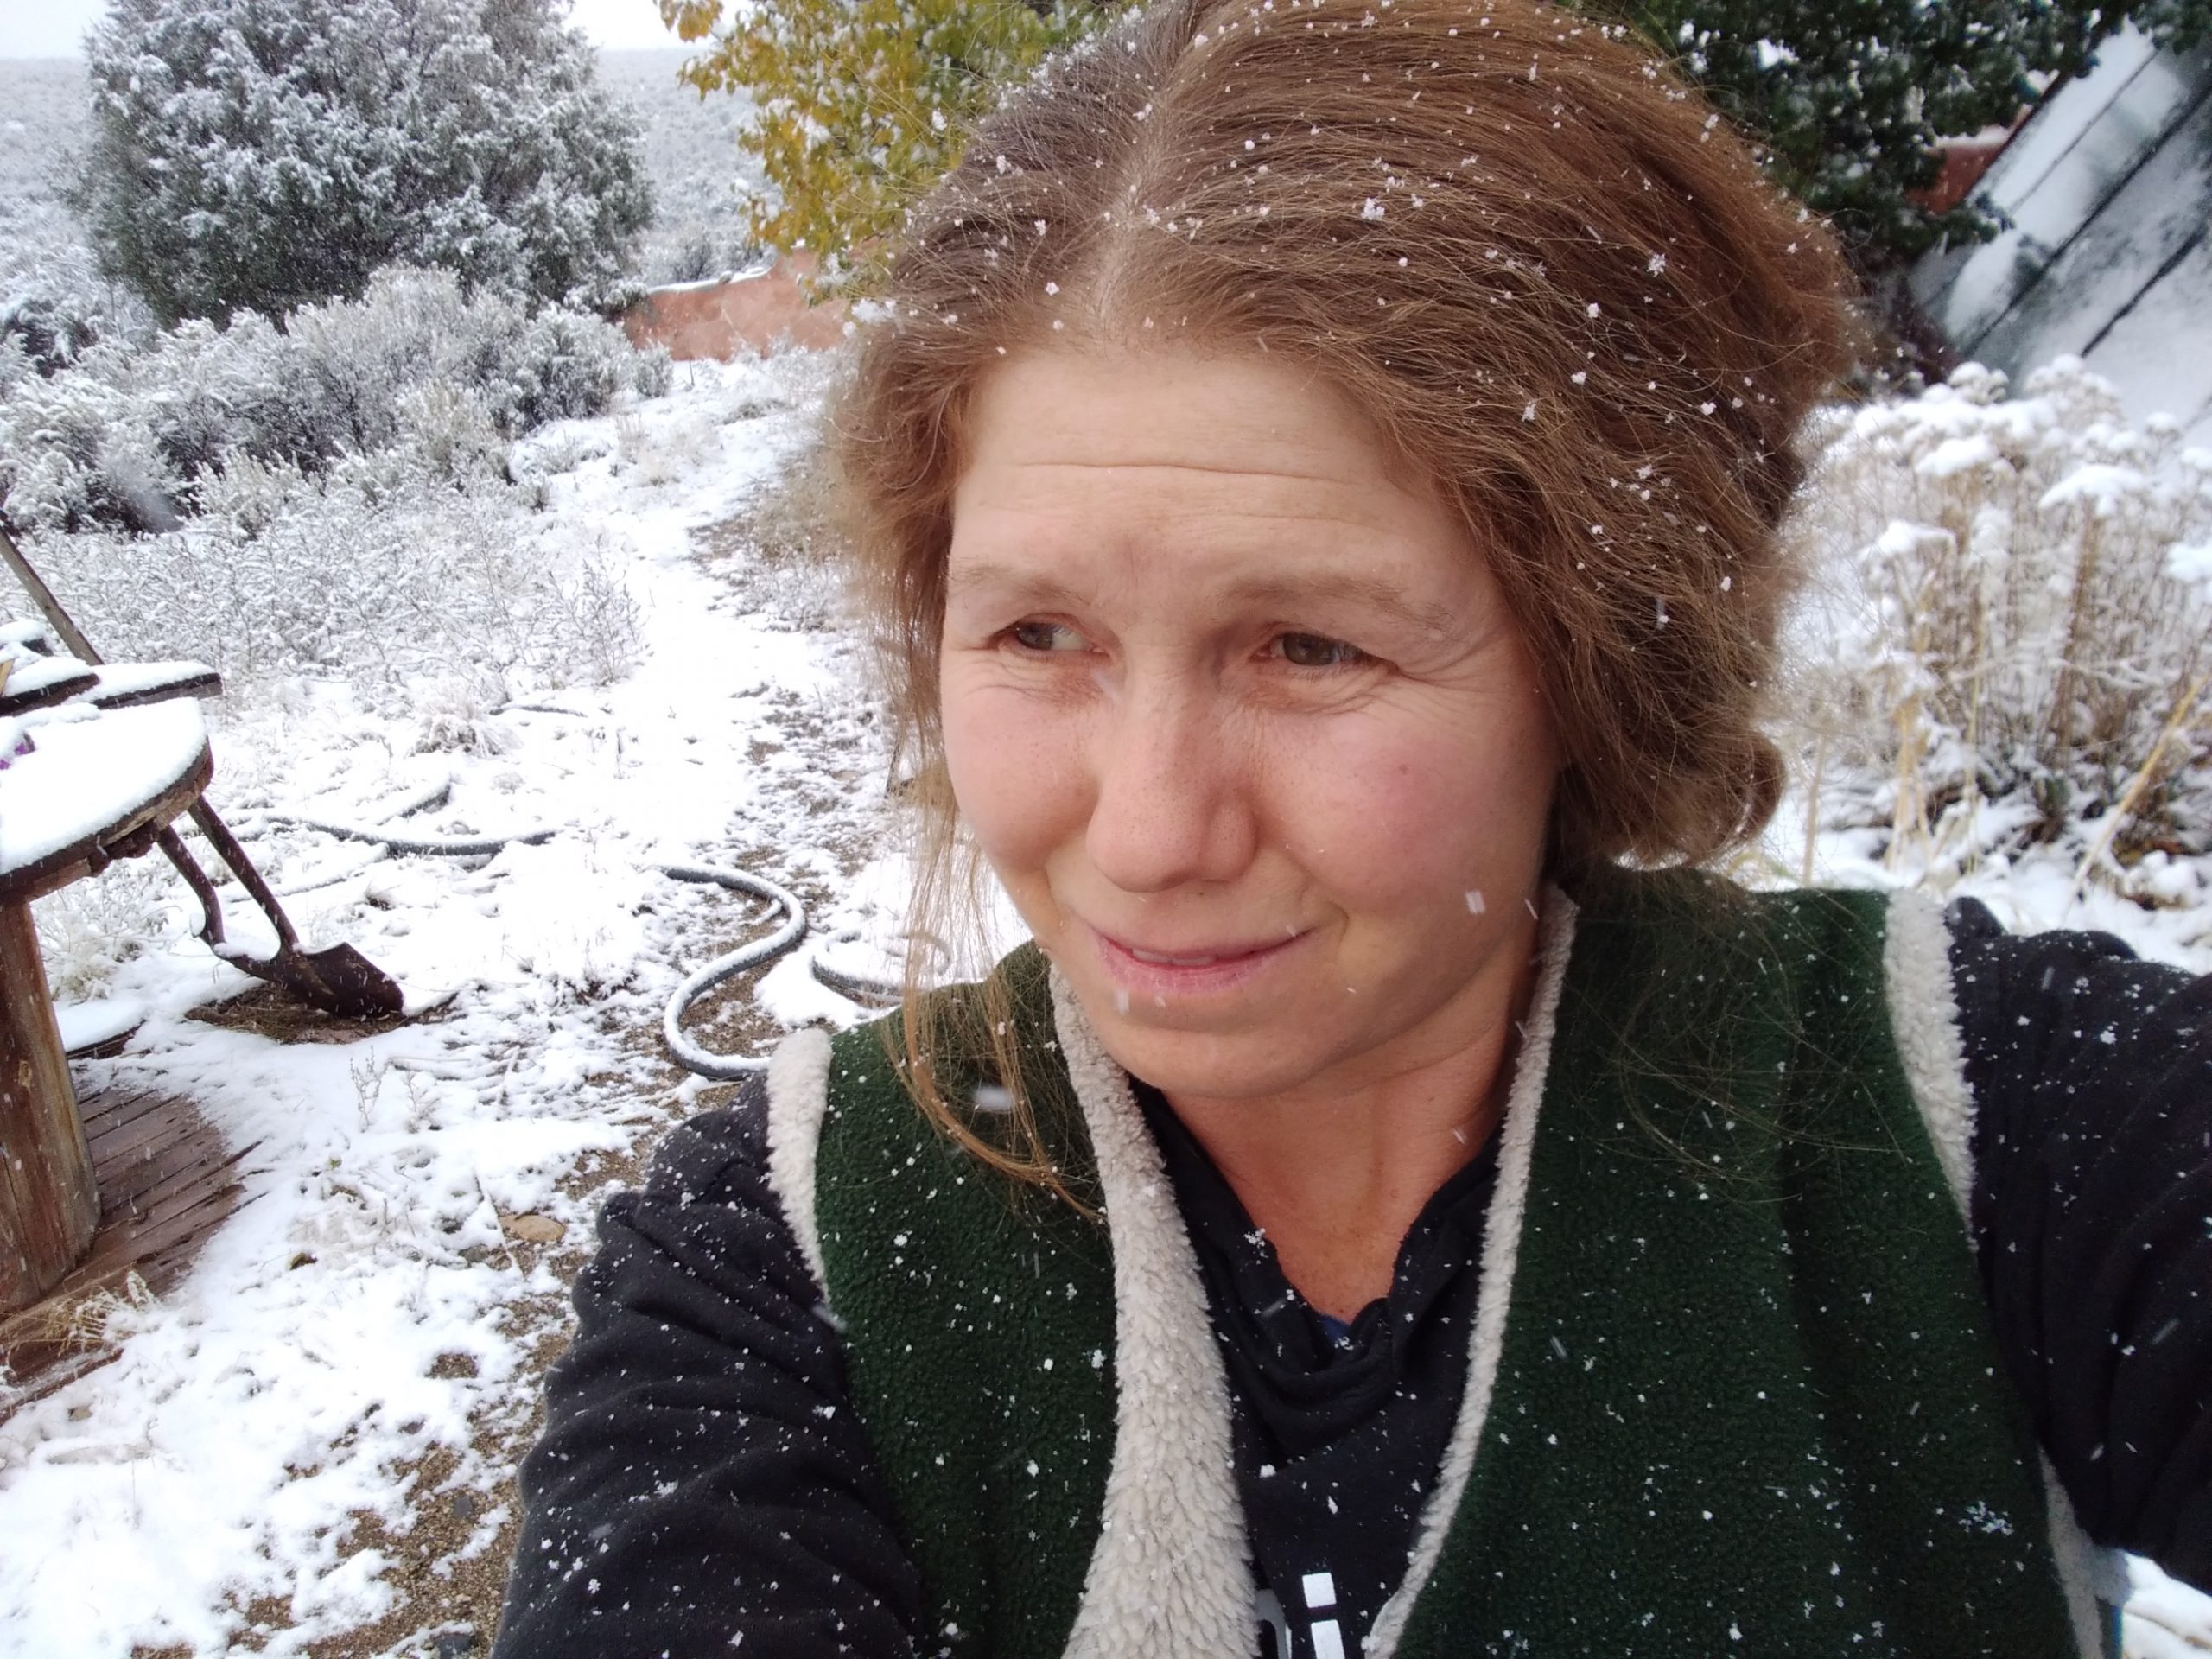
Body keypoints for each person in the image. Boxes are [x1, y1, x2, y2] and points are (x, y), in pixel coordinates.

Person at [491, 0, 2212, 1654]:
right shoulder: (790, 1262)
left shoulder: (1982, 1136)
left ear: (1597, 662)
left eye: (1310, 646)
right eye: (1037, 636)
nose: (1152, 831)